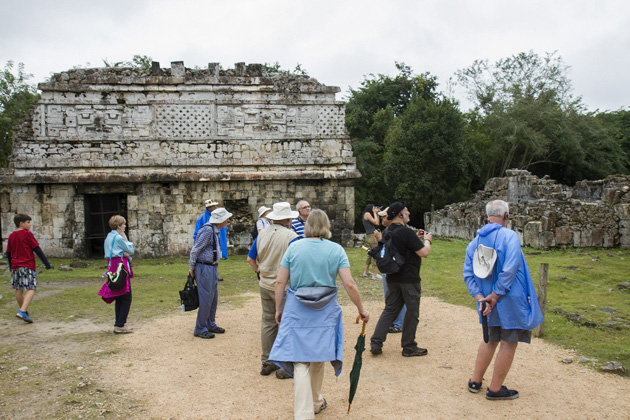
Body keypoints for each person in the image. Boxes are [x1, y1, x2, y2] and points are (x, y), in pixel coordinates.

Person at [269, 209, 369, 420]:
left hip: (297, 310)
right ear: (326, 226)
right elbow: (349, 283)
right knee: (317, 358)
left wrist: (279, 308)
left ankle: (306, 411)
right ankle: (313, 404)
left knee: (300, 361)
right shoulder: (336, 250)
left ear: (307, 226)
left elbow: (280, 281)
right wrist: (361, 309)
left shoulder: (294, 248)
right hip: (324, 312)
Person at [463, 199, 543, 400]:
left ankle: (475, 380)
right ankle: (496, 388)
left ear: (487, 215)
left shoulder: (474, 242)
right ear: (506, 215)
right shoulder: (510, 237)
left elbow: (468, 274)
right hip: (508, 300)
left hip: (486, 303)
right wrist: (496, 295)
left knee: (490, 339)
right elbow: (510, 268)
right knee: (508, 342)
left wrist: (482, 298)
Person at [370, 201, 432, 357]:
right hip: (409, 278)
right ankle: (409, 346)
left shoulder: (389, 231)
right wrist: (427, 240)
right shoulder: (405, 232)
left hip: (392, 277)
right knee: (412, 312)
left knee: (390, 310)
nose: (409, 213)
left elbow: (401, 246)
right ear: (400, 214)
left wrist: (415, 237)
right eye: (406, 211)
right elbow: (424, 253)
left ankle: (376, 342)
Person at [246, 202, 299, 378]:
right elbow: (297, 262)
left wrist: (260, 272)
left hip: (265, 283)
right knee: (286, 323)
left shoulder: (261, 234)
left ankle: (267, 360)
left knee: (268, 321)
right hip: (283, 286)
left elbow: (250, 259)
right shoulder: (291, 236)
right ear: (287, 218)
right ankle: (286, 364)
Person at [189, 207, 232, 339]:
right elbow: (195, 250)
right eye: (226, 219)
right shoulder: (207, 230)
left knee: (213, 298)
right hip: (204, 267)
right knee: (206, 298)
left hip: (211, 267)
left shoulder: (215, 230)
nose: (228, 220)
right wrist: (191, 267)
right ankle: (200, 327)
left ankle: (210, 323)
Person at [5, 214, 53, 323]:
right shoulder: (27, 234)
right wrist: (47, 263)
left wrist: (11, 266)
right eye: (28, 222)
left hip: (15, 266)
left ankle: (24, 312)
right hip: (27, 265)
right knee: (31, 288)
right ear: (21, 223)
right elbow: (37, 249)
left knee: (18, 288)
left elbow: (8, 252)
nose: (30, 224)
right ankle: (22, 310)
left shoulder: (12, 235)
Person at [97, 215, 135, 334]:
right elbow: (131, 250)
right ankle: (120, 324)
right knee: (126, 296)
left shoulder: (109, 237)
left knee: (119, 295)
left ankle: (119, 322)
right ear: (119, 226)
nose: (125, 226)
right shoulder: (118, 238)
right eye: (123, 224)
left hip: (112, 266)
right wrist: (126, 239)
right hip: (120, 267)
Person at [375, 207, 406, 333]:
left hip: (393, 268)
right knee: (391, 296)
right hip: (389, 268)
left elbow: (389, 250)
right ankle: (395, 321)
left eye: (384, 216)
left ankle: (398, 323)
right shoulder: (388, 230)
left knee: (396, 296)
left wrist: (379, 239)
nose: (382, 218)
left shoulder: (392, 231)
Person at [193, 199, 228, 280]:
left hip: (217, 239)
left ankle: (215, 273)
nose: (214, 207)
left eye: (214, 206)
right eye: (212, 206)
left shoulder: (217, 217)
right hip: (208, 241)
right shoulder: (202, 218)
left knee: (216, 256)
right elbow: (197, 232)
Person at [361, 204, 381, 280]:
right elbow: (375, 223)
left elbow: (377, 223)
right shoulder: (367, 214)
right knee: (375, 252)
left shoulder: (369, 214)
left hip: (371, 235)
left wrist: (377, 214)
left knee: (370, 253)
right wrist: (375, 213)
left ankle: (366, 271)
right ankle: (374, 274)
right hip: (371, 235)